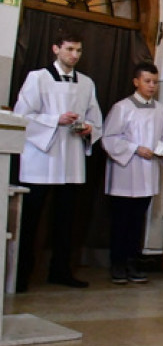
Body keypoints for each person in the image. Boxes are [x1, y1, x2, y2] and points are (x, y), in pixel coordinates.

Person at [15, 30, 103, 290]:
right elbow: (22, 117)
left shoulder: (87, 83)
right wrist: (55, 120)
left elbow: (96, 120)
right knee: (30, 220)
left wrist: (89, 129)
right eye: (69, 49)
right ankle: (21, 274)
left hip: (71, 159)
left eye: (78, 50)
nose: (74, 55)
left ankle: (61, 270)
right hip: (42, 158)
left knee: (66, 221)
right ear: (56, 49)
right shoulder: (38, 78)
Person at [101, 62, 163, 284]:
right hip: (126, 172)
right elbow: (109, 138)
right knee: (121, 221)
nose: (152, 86)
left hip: (147, 174)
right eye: (147, 81)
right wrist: (135, 148)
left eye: (155, 82)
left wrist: (161, 150)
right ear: (136, 82)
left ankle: (133, 262)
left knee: (137, 221)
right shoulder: (122, 108)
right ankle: (118, 263)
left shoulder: (161, 110)